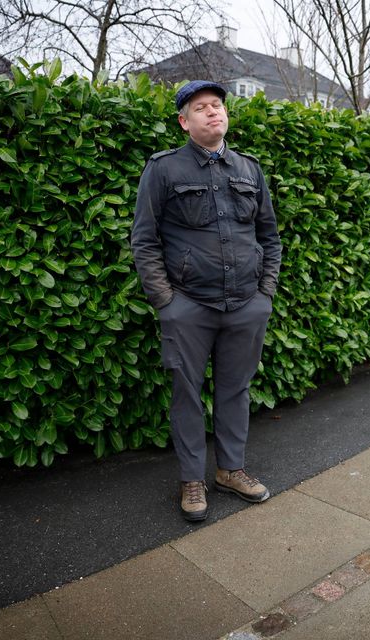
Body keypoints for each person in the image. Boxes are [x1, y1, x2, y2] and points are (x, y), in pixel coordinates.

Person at [131, 80, 282, 522]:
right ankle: (192, 480)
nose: (213, 111)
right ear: (184, 122)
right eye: (201, 108)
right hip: (189, 307)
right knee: (187, 395)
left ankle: (230, 470)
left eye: (217, 105)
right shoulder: (163, 169)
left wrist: (264, 294)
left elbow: (269, 236)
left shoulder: (249, 169)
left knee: (236, 389)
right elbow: (144, 240)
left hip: (246, 305)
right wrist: (166, 302)